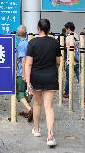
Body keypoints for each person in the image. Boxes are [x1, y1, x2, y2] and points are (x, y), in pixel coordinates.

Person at [25, 19, 61, 147]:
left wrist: (28, 81)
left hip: (36, 77)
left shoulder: (32, 43)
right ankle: (50, 136)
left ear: (38, 28)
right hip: (51, 76)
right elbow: (58, 62)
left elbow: (28, 64)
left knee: (37, 103)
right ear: (49, 29)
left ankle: (36, 129)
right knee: (49, 106)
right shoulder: (55, 42)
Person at [63, 23, 85, 101]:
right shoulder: (77, 36)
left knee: (68, 78)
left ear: (68, 28)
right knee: (80, 78)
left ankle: (67, 93)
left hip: (70, 60)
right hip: (78, 60)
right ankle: (84, 95)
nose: (66, 31)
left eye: (66, 29)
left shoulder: (68, 37)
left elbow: (69, 49)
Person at [16, 25, 33, 122]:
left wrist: (23, 74)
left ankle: (30, 110)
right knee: (27, 92)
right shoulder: (29, 43)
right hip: (30, 71)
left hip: (21, 72)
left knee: (20, 93)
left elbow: (23, 60)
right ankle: (26, 111)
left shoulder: (21, 45)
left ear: (18, 34)